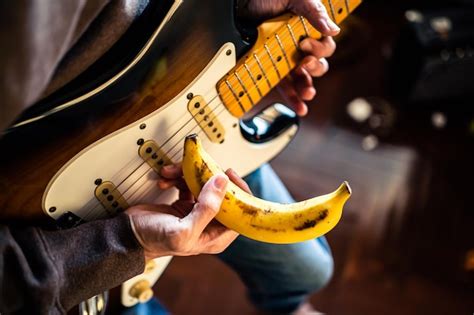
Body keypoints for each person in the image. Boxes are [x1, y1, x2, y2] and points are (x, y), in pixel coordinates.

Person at [0, 0, 338, 314]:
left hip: (181, 119)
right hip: (47, 254)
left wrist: (242, 13)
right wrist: (123, 244)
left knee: (309, 272)